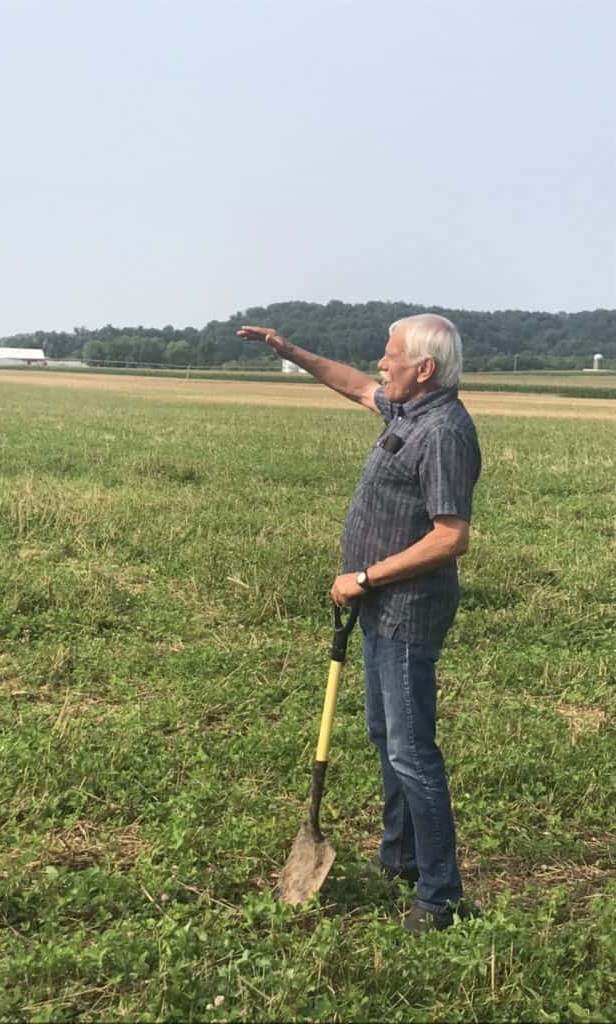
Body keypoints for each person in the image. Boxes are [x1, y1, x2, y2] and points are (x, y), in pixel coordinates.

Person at [237, 315, 481, 934]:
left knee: (412, 752)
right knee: (385, 737)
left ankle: (440, 895)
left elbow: (451, 537)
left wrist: (365, 578)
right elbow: (350, 384)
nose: (380, 362)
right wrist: (288, 351)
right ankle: (400, 858)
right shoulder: (407, 412)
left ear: (423, 369)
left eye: (389, 354)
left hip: (406, 610)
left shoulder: (445, 431)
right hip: (377, 608)